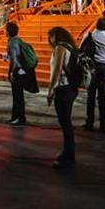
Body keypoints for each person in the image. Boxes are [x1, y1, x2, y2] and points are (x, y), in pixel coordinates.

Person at [46, 26, 80, 169]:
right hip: (70, 88)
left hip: (63, 88)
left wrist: (50, 89)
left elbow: (57, 70)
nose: (49, 39)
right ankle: (67, 153)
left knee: (65, 123)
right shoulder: (70, 47)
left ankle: (68, 156)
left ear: (57, 36)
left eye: (51, 36)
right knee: (66, 122)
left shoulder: (60, 48)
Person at [82, 17, 105, 132]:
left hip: (91, 67)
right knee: (102, 96)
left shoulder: (89, 35)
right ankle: (103, 123)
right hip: (103, 67)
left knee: (90, 95)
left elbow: (82, 49)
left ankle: (89, 122)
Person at [5, 22, 29, 125]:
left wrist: (12, 73)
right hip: (21, 70)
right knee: (18, 95)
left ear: (8, 31)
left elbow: (14, 60)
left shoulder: (12, 42)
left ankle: (20, 117)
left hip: (17, 71)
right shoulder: (18, 40)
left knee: (17, 95)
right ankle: (15, 116)